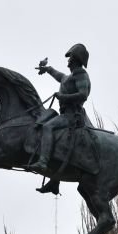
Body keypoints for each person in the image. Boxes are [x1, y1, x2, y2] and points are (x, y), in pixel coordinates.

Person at [28, 43, 92, 179]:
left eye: (70, 57)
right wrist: (47, 69)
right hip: (65, 114)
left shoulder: (81, 75)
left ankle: (43, 162)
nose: (68, 60)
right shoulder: (70, 76)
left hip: (72, 115)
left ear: (76, 59)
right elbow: (60, 76)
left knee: (48, 127)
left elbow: (83, 94)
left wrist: (63, 96)